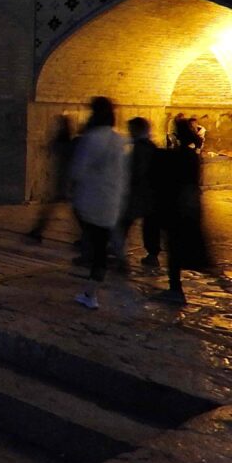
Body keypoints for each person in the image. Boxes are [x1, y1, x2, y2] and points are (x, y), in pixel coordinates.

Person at [69, 97, 129, 310]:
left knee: (94, 247)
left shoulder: (92, 138)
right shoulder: (118, 139)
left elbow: (79, 170)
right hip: (111, 201)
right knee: (100, 249)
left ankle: (90, 293)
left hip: (91, 199)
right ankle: (90, 292)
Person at [153, 118, 212, 304]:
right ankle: (176, 287)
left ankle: (175, 289)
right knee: (179, 247)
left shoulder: (177, 156)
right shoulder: (193, 156)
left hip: (176, 208)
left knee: (174, 249)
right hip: (189, 207)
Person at [114, 117, 159, 272]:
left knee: (123, 224)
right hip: (151, 193)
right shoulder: (153, 147)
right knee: (150, 226)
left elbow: (135, 171)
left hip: (136, 194)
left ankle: (120, 257)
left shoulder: (137, 148)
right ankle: (153, 254)